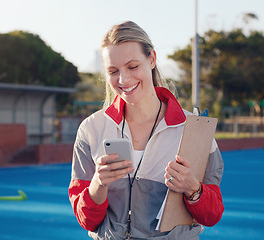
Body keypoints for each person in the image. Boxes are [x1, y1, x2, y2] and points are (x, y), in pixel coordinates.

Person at [68, 21, 224, 239]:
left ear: (151, 59)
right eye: (113, 71)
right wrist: (98, 184)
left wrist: (193, 188)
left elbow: (213, 214)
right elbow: (87, 220)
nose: (124, 80)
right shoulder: (91, 129)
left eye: (133, 67)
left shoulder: (194, 129)